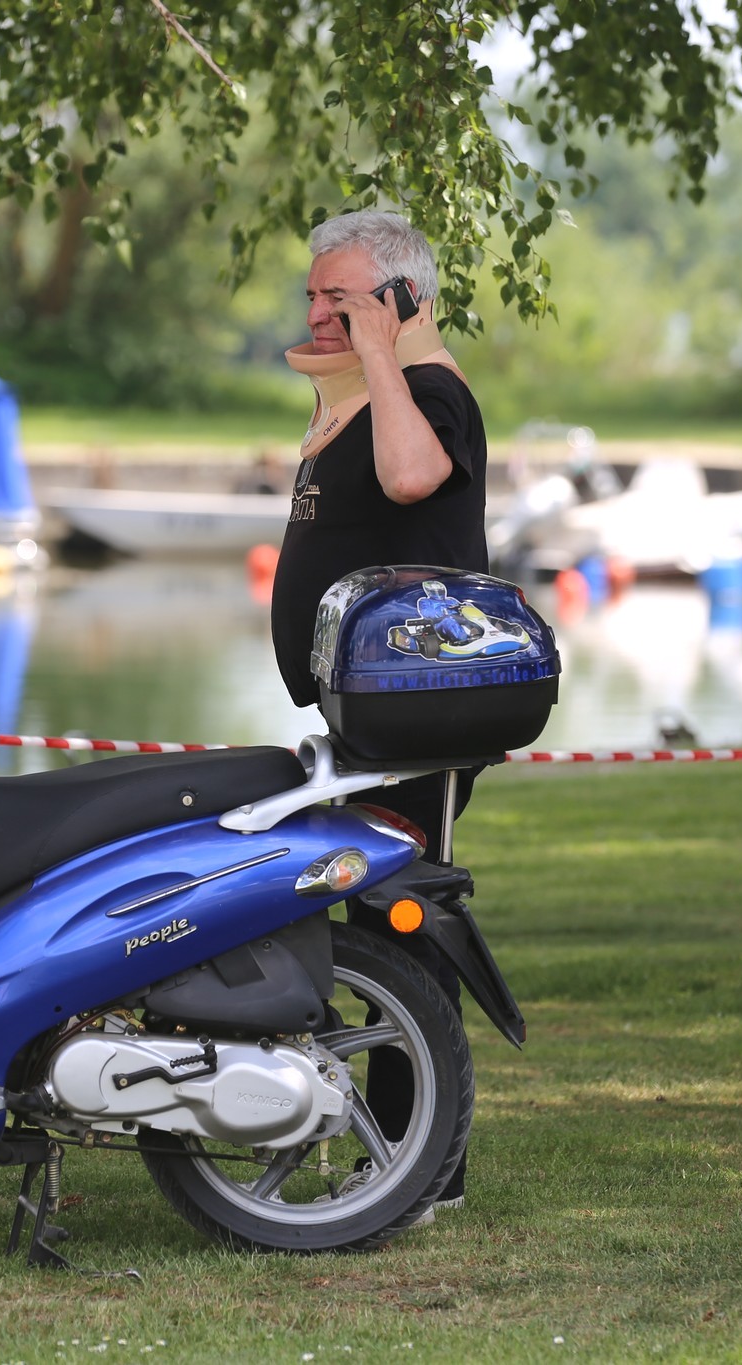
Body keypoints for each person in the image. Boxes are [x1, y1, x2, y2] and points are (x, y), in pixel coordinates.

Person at [269, 209, 488, 1211]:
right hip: (368, 714)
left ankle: (423, 1168)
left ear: (402, 299)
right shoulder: (366, 395)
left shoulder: (430, 393)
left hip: (421, 714)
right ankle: (406, 1155)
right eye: (312, 295)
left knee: (402, 927)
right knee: (374, 919)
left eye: (341, 297)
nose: (319, 312)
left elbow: (410, 477)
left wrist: (378, 349)